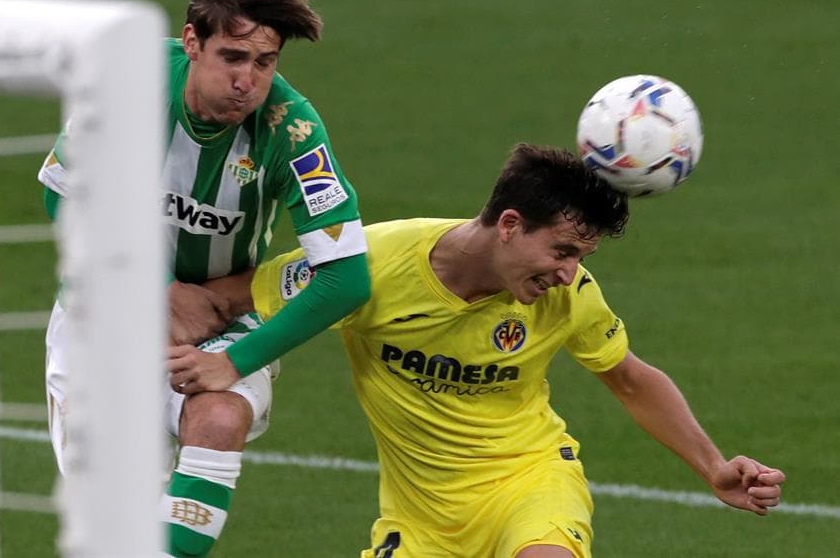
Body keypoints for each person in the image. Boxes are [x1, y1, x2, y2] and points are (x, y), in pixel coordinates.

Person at [176, 144, 786, 557]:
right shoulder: (373, 267)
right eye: (563, 251)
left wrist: (713, 466)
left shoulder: (570, 295)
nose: (569, 273)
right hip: (419, 522)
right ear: (511, 225)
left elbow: (630, 379)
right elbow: (227, 298)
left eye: (581, 258)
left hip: (529, 483)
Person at [37, 0, 370, 557]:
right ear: (192, 41)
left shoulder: (291, 129)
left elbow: (347, 277)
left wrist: (234, 362)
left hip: (218, 326)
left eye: (265, 63)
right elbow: (62, 194)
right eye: (233, 57)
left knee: (218, 417)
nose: (248, 82)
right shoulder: (129, 80)